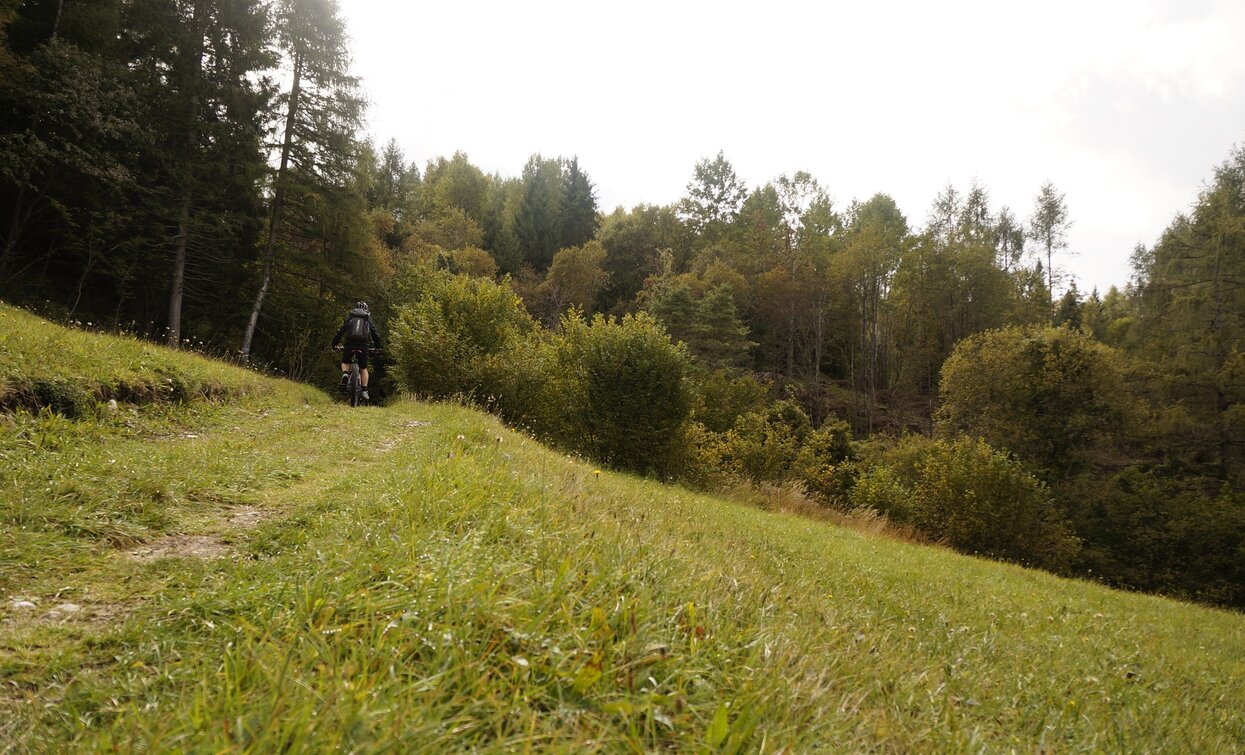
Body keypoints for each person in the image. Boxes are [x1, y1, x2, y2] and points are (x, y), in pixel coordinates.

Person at [331, 301, 382, 400]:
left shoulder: (350, 317)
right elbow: (375, 334)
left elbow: (341, 330)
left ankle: (345, 374)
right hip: (363, 345)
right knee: (363, 369)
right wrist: (378, 347)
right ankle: (364, 390)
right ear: (366, 309)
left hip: (349, 344)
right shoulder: (367, 318)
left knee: (345, 362)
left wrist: (334, 343)